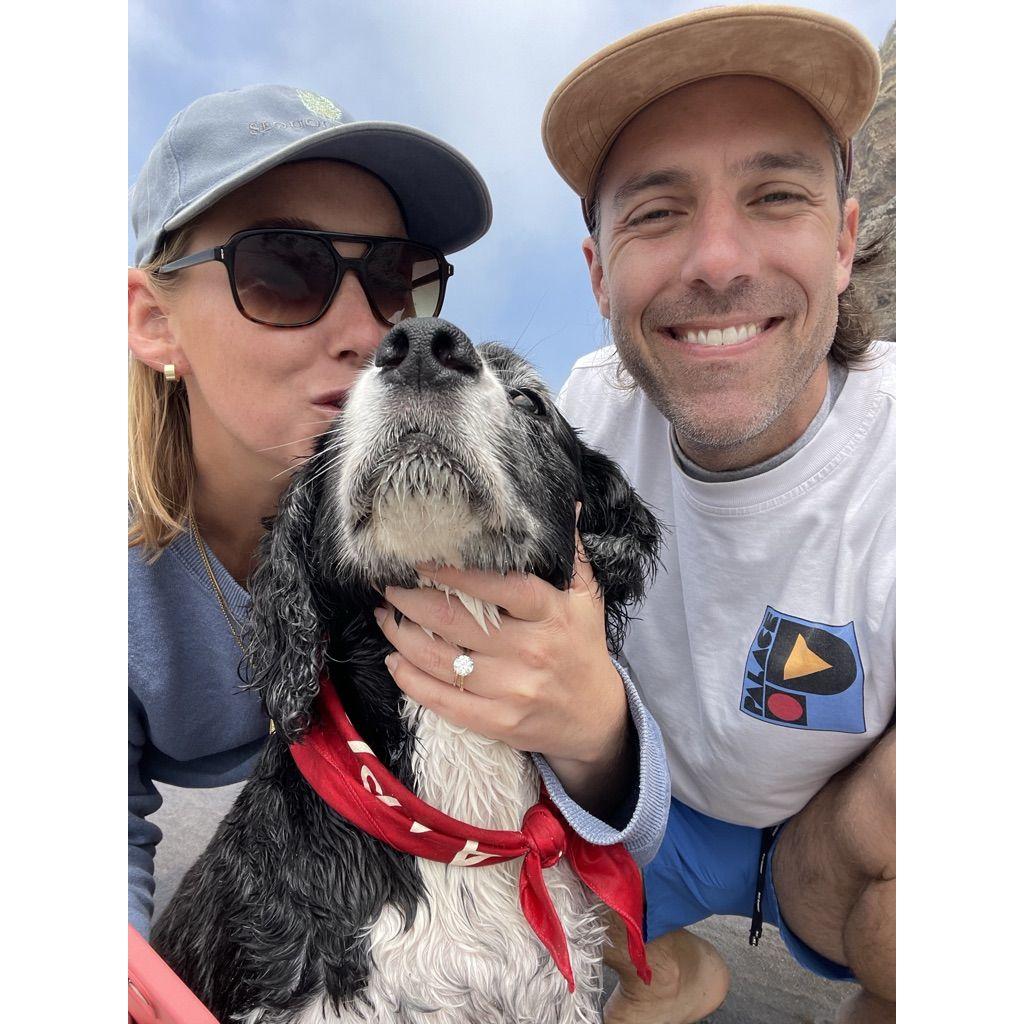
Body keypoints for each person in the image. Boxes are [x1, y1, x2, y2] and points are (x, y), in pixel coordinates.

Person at [128, 84, 670, 941]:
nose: (372, 330)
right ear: (154, 322)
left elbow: (620, 810)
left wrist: (595, 729)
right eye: (281, 269)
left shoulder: (439, 505)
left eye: (394, 279)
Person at [539, 6, 896, 1024]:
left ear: (841, 241)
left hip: (826, 842)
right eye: (656, 213)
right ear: (599, 270)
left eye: (773, 196)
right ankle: (667, 965)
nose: (718, 260)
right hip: (639, 824)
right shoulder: (582, 415)